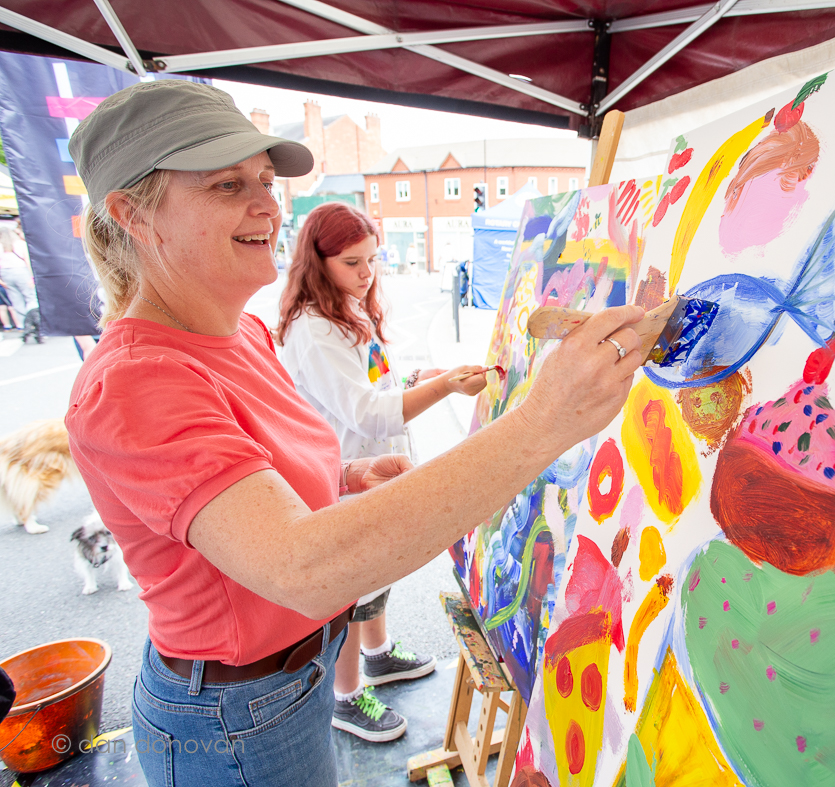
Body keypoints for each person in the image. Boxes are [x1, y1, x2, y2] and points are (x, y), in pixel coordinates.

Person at [63, 79, 643, 787]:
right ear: (131, 214)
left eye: (265, 180)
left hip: (288, 681)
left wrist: (340, 481)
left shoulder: (240, 332)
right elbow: (301, 569)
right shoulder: (134, 380)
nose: (267, 205)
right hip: (234, 713)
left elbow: (246, 488)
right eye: (224, 185)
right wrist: (543, 421)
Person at [275, 201, 489, 741]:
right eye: (352, 262)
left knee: (375, 576)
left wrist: (421, 375)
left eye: (373, 259)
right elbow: (365, 411)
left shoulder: (349, 306)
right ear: (316, 262)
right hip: (344, 479)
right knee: (351, 589)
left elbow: (376, 382)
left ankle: (378, 654)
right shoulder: (314, 328)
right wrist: (441, 390)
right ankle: (345, 699)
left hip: (373, 469)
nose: (367, 273)